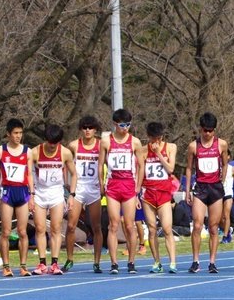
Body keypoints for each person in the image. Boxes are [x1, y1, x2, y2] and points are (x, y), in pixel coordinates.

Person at [100, 109, 143, 274]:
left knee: (130, 225)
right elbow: (100, 165)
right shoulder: (106, 141)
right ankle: (114, 263)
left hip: (129, 186)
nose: (125, 128)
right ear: (115, 124)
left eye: (128, 125)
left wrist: (138, 187)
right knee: (113, 225)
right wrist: (101, 184)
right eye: (122, 125)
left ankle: (131, 262)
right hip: (112, 186)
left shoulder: (135, 142)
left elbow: (141, 165)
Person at [30, 124, 77, 275]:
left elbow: (74, 174)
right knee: (40, 228)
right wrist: (31, 194)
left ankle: (55, 263)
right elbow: (28, 173)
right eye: (49, 142)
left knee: (56, 228)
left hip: (56, 193)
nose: (52, 146)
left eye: (55, 143)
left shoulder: (65, 153)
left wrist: (72, 195)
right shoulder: (35, 152)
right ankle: (42, 263)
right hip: (40, 193)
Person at [185, 113, 229, 273]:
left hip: (215, 188)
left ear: (214, 130)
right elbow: (189, 168)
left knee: (213, 227)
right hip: (200, 188)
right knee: (197, 225)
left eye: (211, 131)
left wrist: (222, 180)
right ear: (200, 129)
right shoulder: (193, 146)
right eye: (205, 130)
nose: (208, 134)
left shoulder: (221, 144)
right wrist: (188, 189)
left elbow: (225, 164)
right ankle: (196, 260)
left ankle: (212, 262)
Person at [0, 118, 34, 277]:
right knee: (6, 231)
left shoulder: (27, 151)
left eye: (20, 133)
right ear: (8, 134)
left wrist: (32, 195)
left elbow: (29, 174)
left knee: (23, 231)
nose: (18, 136)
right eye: (15, 133)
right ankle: (6, 266)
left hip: (22, 192)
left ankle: (23, 266)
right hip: (7, 192)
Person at [63, 116, 104, 273]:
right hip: (78, 189)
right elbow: (65, 161)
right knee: (71, 225)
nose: (87, 130)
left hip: (93, 189)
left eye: (90, 128)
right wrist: (66, 181)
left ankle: (97, 262)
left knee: (96, 227)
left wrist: (103, 184)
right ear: (81, 129)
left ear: (95, 130)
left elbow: (107, 164)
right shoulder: (74, 145)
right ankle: (69, 259)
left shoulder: (101, 145)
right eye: (85, 127)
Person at [139, 122, 179, 273]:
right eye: (153, 139)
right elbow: (141, 173)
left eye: (159, 138)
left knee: (167, 228)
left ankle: (173, 262)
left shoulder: (170, 147)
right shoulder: (142, 151)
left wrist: (159, 154)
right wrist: (137, 193)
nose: (156, 142)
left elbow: (170, 169)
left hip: (164, 194)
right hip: (148, 193)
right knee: (152, 229)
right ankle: (157, 262)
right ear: (148, 137)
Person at [220, 161, 234, 243]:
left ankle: (225, 236)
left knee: (226, 215)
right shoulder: (217, 168)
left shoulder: (232, 169)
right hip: (219, 194)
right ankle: (228, 231)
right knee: (220, 219)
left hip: (228, 194)